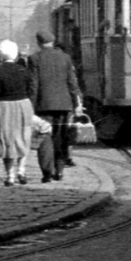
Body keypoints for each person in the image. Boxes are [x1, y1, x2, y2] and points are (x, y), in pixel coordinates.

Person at [0, 40, 45, 185]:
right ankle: (21, 170)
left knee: (6, 140)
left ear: (0, 54)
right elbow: (31, 90)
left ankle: (10, 175)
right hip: (23, 105)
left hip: (4, 107)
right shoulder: (24, 70)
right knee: (23, 138)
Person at [29, 31, 82, 181]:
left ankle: (47, 172)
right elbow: (73, 83)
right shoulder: (65, 58)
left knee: (45, 137)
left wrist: (31, 108)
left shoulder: (34, 59)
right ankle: (59, 171)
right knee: (62, 138)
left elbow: (34, 85)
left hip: (43, 106)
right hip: (64, 105)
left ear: (39, 43)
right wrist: (77, 102)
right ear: (52, 41)